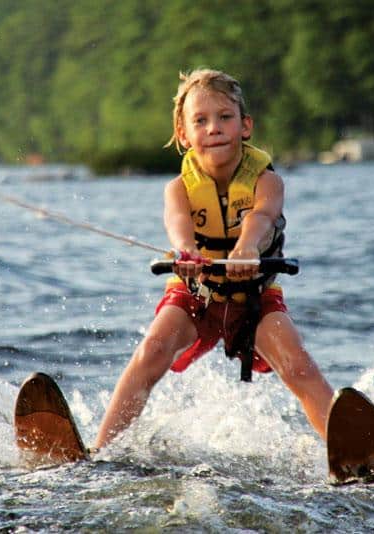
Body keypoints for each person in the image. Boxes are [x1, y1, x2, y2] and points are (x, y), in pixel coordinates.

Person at [95, 69, 333, 449]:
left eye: (225, 117)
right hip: (197, 296)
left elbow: (263, 216)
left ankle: (352, 448)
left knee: (298, 365)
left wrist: (247, 248)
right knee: (152, 350)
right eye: (200, 121)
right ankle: (100, 449)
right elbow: (177, 222)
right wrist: (186, 252)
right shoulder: (178, 189)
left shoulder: (267, 181)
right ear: (184, 135)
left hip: (253, 300)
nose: (214, 128)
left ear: (245, 126)